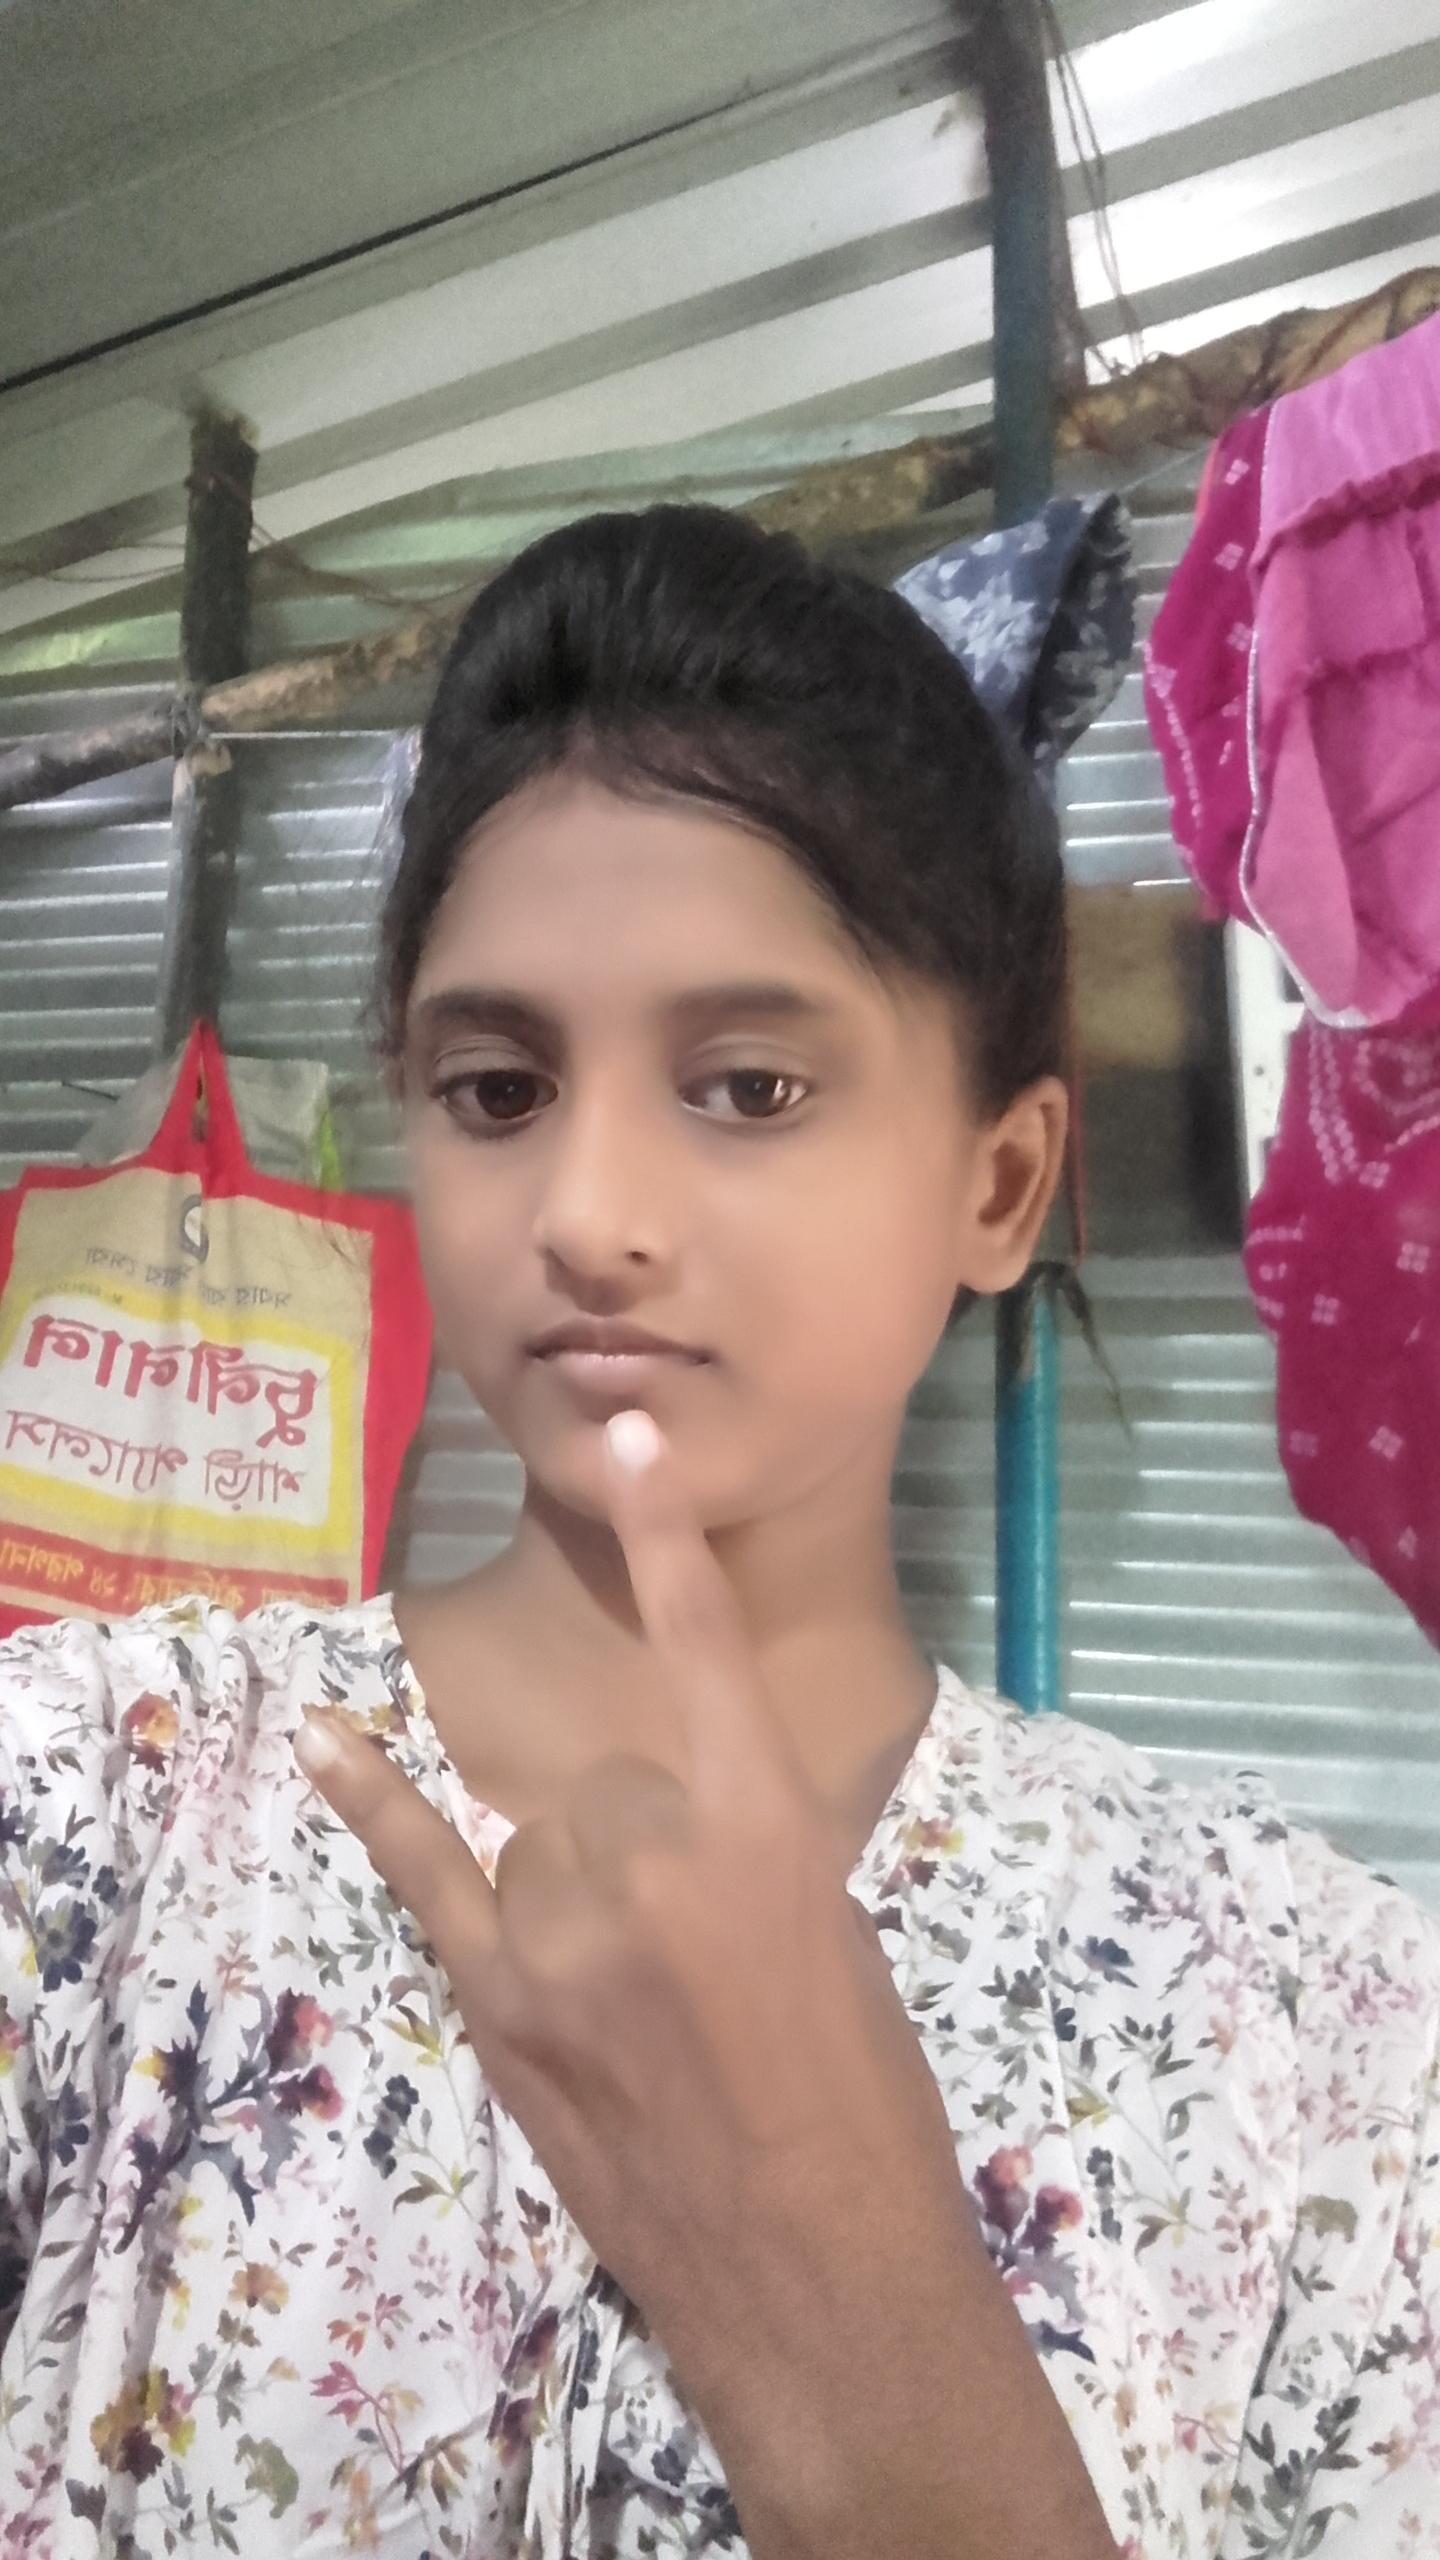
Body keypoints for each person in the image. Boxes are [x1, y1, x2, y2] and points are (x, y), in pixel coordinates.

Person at [0, 506, 1435, 2560]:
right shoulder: (88, 1804)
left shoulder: (1316, 2032)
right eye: (498, 1088)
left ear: (1003, 1183)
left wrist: (870, 2341)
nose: (589, 1212)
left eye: (749, 1087)